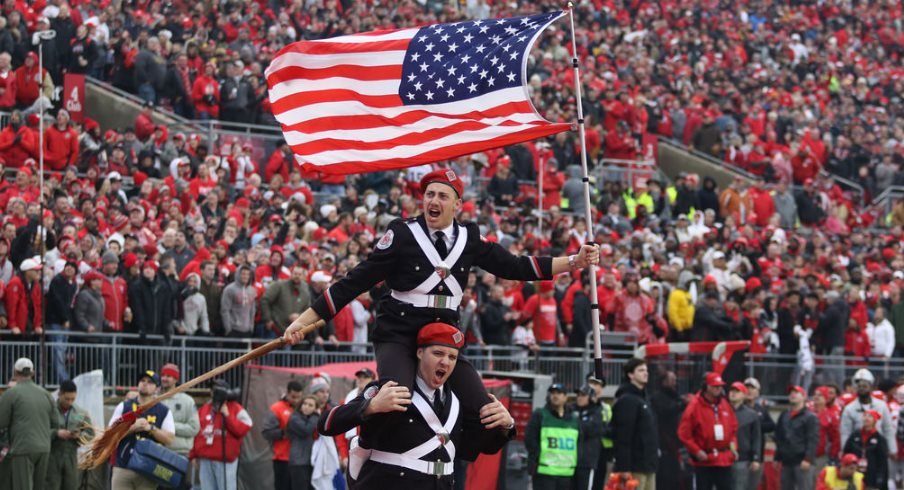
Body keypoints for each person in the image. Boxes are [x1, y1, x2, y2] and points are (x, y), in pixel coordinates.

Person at [285, 169, 601, 416]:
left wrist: (575, 261)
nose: (433, 201)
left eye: (442, 196)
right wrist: (303, 320)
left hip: (444, 337)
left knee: (486, 411)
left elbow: (515, 266)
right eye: (429, 194)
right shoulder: (402, 233)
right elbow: (353, 282)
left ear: (457, 205)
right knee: (396, 400)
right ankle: (362, 441)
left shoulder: (470, 238)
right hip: (399, 331)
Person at [317, 322, 515, 488]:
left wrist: (506, 426)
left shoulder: (458, 400)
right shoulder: (391, 389)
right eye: (438, 353)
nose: (445, 362)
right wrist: (370, 406)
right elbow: (326, 424)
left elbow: (475, 448)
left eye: (452, 357)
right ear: (420, 352)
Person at [109, 370, 176, 490]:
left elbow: (169, 439)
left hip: (149, 469)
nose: (145, 384)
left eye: (150, 382)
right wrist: (132, 428)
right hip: (123, 467)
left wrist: (150, 428)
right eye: (142, 380)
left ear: (157, 388)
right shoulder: (124, 406)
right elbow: (110, 433)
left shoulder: (163, 410)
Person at [0, 358, 59, 490]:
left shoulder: (11, 394)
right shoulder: (46, 394)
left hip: (22, 448)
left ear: (15, 372)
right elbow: (56, 422)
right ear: (33, 373)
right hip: (44, 448)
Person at [678, 372, 738, 490]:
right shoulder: (694, 406)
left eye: (720, 386)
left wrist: (733, 449)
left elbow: (733, 430)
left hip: (724, 460)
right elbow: (684, 433)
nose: (718, 389)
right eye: (715, 386)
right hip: (705, 461)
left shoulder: (725, 404)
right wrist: (697, 451)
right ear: (706, 387)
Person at [190, 380, 253, 490]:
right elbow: (196, 432)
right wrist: (193, 454)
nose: (213, 392)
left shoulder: (236, 408)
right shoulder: (204, 409)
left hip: (225, 461)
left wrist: (228, 415)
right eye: (212, 389)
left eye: (216, 389)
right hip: (205, 459)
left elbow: (243, 429)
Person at [612, 358, 659, 490]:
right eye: (641, 370)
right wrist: (624, 467)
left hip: (648, 465)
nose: (646, 373)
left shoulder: (644, 399)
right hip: (635, 466)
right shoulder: (627, 400)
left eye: (646, 370)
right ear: (630, 375)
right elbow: (623, 436)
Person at [526, 383, 579, 490]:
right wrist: (536, 458)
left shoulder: (573, 419)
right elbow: (530, 439)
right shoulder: (540, 415)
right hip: (544, 472)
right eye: (552, 393)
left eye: (558, 393)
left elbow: (579, 442)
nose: (555, 396)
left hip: (567, 474)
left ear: (565, 397)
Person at [46, 380, 94, 490]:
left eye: (73, 399)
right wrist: (56, 433)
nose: (70, 402)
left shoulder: (81, 413)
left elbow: (91, 433)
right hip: (52, 456)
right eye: (67, 399)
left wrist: (79, 435)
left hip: (71, 457)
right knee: (51, 486)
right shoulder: (49, 411)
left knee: (71, 486)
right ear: (60, 394)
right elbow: (40, 431)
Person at [261, 380, 305, 490]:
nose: (296, 400)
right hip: (282, 459)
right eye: (293, 397)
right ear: (287, 393)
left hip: (302, 460)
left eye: (299, 397)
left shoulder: (305, 407)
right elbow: (266, 432)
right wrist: (283, 433)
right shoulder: (276, 408)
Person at [841, 369, 895, 455]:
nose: (862, 389)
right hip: (857, 448)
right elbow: (845, 433)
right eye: (859, 386)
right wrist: (845, 451)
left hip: (878, 448)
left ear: (871, 387)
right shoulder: (849, 409)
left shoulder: (881, 405)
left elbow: (888, 429)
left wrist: (892, 449)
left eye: (865, 386)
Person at [775, 386, 820, 490]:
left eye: (796, 392)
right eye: (791, 392)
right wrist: (777, 457)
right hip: (786, 460)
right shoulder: (784, 415)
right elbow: (779, 437)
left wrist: (808, 458)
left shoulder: (810, 417)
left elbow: (813, 439)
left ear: (804, 397)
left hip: (802, 460)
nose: (792, 394)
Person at [158, 363, 200, 462]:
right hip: (157, 451)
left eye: (168, 376)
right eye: (163, 375)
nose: (164, 378)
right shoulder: (155, 399)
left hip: (181, 453)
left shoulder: (187, 401)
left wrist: (168, 426)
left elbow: (194, 428)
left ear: (176, 380)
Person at [842, 410, 888, 490]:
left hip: (871, 476)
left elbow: (882, 462)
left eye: (870, 416)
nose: (866, 418)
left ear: (875, 420)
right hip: (854, 474)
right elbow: (846, 452)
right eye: (865, 416)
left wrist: (880, 480)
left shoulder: (880, 439)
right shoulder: (855, 435)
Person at [728, 382, 761, 490]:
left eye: (737, 391)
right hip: (722, 457)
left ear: (743, 395)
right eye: (732, 391)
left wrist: (755, 458)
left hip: (742, 458)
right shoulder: (721, 410)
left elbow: (756, 438)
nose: (733, 393)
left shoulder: (751, 414)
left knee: (740, 486)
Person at [573, 385, 604, 490]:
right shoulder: (570, 410)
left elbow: (589, 429)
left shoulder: (597, 412)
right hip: (570, 460)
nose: (579, 397)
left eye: (583, 395)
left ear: (590, 397)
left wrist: (575, 426)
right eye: (578, 395)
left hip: (587, 461)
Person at [287, 395, 319, 490]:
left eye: (310, 405)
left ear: (315, 408)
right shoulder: (294, 418)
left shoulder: (311, 419)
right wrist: (316, 416)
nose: (306, 406)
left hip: (311, 461)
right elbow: (306, 430)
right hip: (298, 462)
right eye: (304, 403)